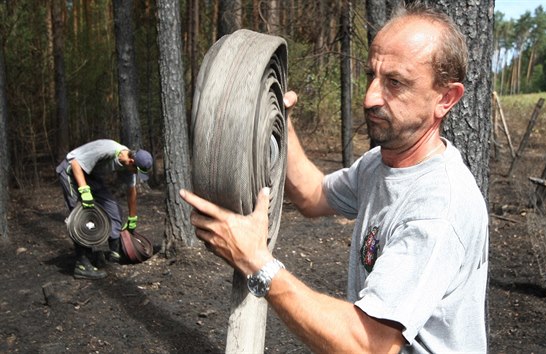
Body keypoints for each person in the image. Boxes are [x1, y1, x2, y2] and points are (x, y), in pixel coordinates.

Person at [180, 2, 489, 353]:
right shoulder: (380, 164)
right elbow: (313, 195)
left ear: (445, 98)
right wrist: (280, 122)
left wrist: (256, 262)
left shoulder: (438, 209)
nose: (371, 97)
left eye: (395, 83)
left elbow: (369, 345)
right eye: (372, 75)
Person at [56, 139, 153, 280]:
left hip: (90, 174)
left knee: (113, 208)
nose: (135, 174)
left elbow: (131, 190)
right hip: (71, 170)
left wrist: (133, 217)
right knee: (82, 217)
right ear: (132, 162)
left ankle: (115, 251)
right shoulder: (107, 150)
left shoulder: (129, 164)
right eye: (136, 171)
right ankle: (82, 264)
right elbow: (75, 162)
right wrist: (84, 190)